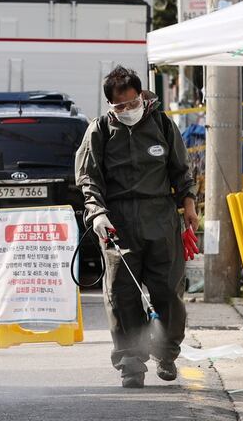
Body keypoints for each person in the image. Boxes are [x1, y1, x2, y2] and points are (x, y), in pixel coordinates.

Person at [75, 66, 200, 389]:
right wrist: (97, 213)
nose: (127, 111)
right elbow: (89, 178)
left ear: (142, 97)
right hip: (118, 221)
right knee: (122, 294)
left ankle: (166, 351)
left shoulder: (162, 124)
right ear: (109, 105)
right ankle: (131, 362)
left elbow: (181, 171)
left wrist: (189, 205)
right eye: (120, 107)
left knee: (167, 291)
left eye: (132, 104)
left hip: (161, 216)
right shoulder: (99, 131)